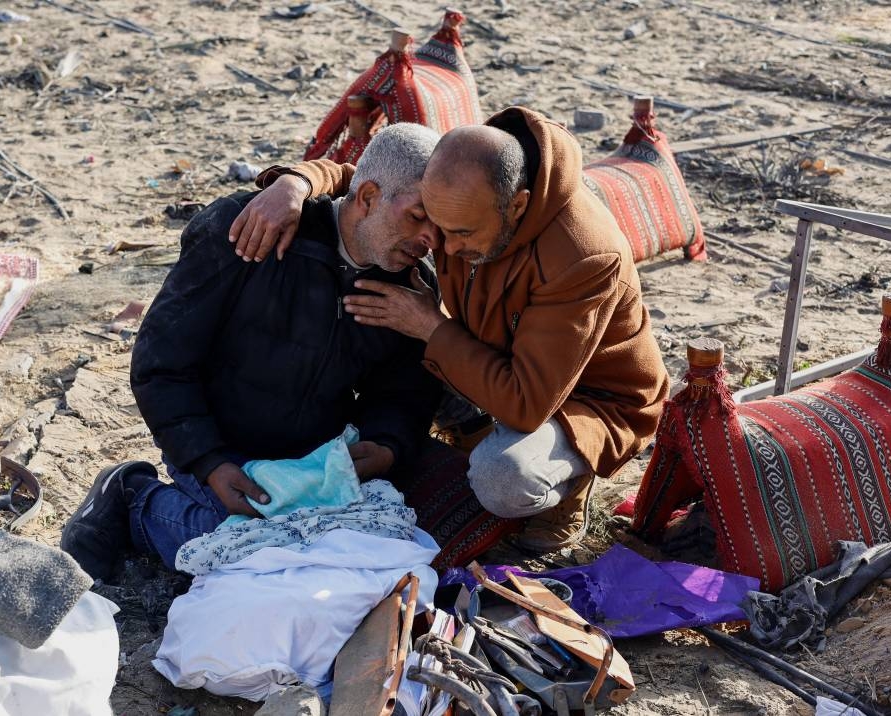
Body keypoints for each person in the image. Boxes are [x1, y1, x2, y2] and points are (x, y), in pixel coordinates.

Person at [230, 106, 670, 553]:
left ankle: (569, 485)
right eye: (435, 224)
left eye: (462, 233)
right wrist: (295, 184)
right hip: (493, 353)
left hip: (582, 401)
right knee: (395, 348)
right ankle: (474, 430)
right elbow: (366, 179)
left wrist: (430, 326)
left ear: (517, 205)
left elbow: (527, 405)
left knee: (503, 477)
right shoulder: (465, 175)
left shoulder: (583, 257)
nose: (445, 246)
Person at [60, 124, 444, 579]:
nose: (431, 239)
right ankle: (133, 497)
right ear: (368, 197)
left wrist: (385, 444)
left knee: (357, 549)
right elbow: (160, 364)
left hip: (316, 462)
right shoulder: (251, 230)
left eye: (438, 225)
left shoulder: (410, 283)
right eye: (418, 217)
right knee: (244, 551)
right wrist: (208, 461)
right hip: (219, 445)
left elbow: (403, 391)